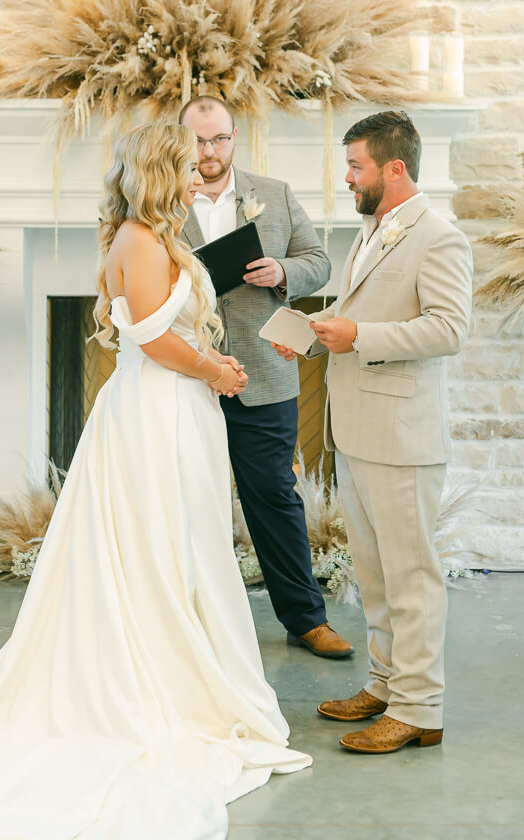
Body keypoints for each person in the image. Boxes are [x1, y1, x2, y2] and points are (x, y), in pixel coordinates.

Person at [0, 121, 310, 839]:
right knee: (151, 544)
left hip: (181, 408)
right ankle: (152, 679)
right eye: (183, 168)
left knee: (177, 543)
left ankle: (180, 662)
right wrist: (213, 369)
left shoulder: (155, 234)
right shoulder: (138, 242)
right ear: (156, 170)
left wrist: (212, 368)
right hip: (154, 413)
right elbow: (149, 336)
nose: (195, 179)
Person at [272, 110, 473, 754]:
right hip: (356, 430)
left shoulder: (438, 236)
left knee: (411, 574)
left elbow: (448, 329)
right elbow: (362, 308)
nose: (348, 179)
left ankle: (420, 708)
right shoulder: (372, 231)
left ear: (394, 168)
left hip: (403, 433)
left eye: (356, 167)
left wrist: (358, 336)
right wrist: (313, 331)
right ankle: (386, 685)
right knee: (376, 574)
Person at [179, 95, 353, 660]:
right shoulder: (155, 197)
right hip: (185, 376)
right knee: (181, 499)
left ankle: (306, 620)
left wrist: (282, 271)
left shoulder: (272, 195)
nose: (209, 151)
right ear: (182, 140)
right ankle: (183, 623)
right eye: (199, 140)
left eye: (219, 139)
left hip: (264, 377)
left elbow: (320, 262)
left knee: (276, 498)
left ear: (235, 139)